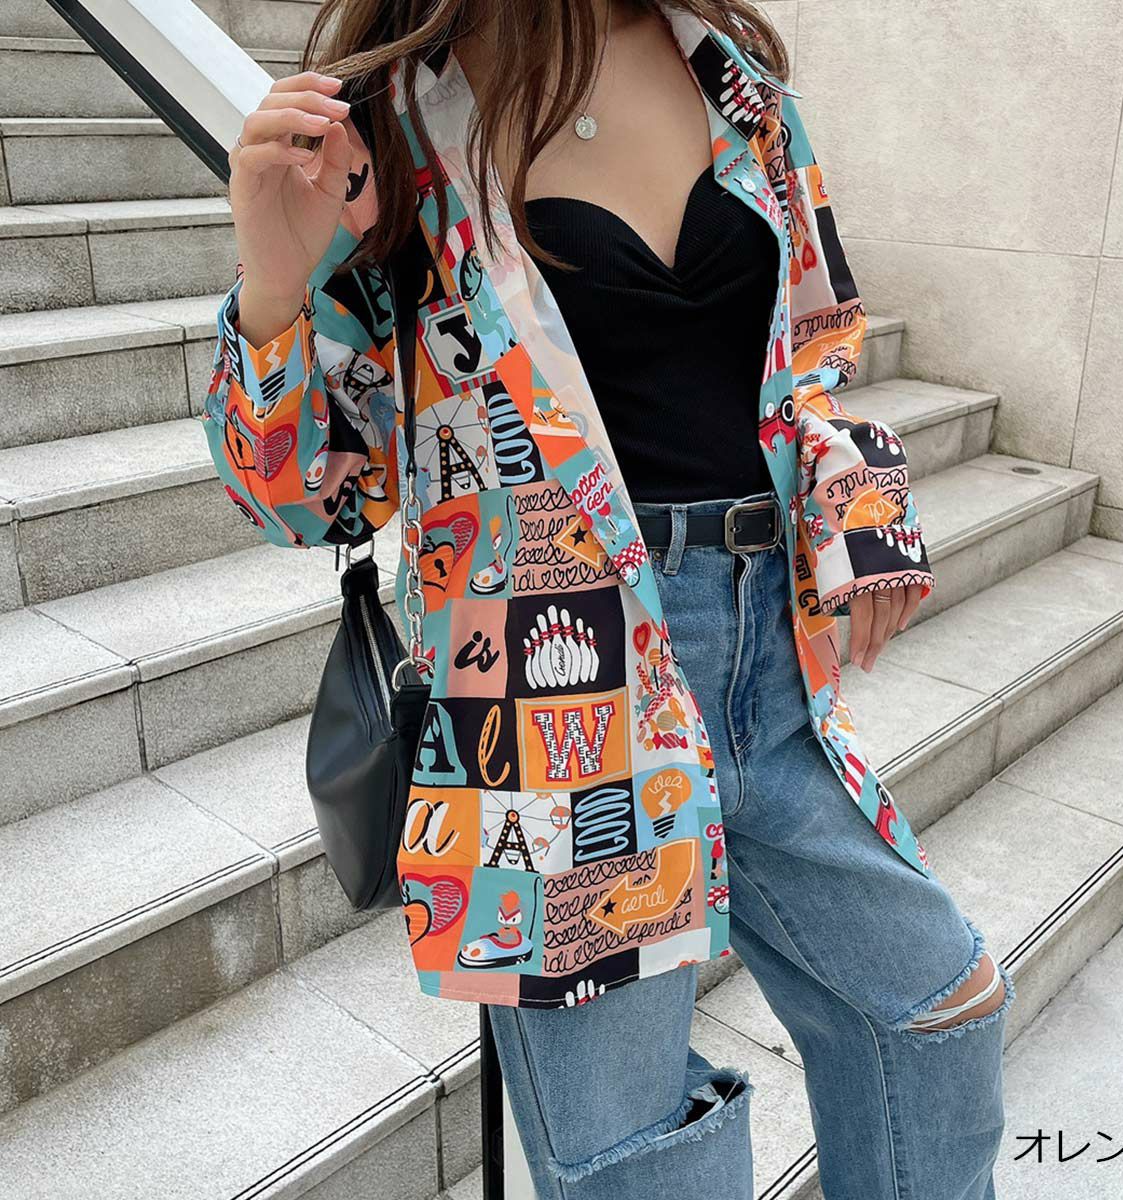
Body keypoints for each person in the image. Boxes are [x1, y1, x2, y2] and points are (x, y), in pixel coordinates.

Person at [205, 1, 1015, 1196]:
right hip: (552, 694)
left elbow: (812, 351)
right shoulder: (395, 118)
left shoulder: (734, 76)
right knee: (641, 1162)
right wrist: (274, 284)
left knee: (938, 1018)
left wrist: (861, 494)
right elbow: (312, 502)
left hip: (769, 670)